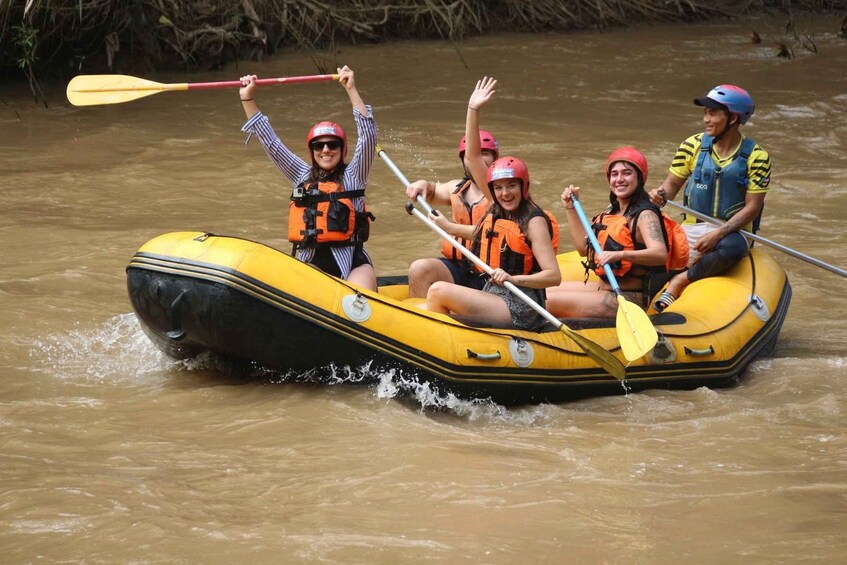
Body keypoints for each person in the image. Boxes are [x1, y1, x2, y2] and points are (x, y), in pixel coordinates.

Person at [423, 77, 561, 331]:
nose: (505, 193)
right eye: (498, 188)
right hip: (494, 292)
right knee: (430, 298)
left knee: (438, 290)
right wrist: (472, 109)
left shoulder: (534, 221)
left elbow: (554, 276)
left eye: (511, 186)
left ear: (523, 186)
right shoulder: (497, 206)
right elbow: (473, 156)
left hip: (522, 303)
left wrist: (513, 279)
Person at [238, 66, 378, 291]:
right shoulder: (301, 175)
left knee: (357, 297)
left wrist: (351, 89)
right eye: (319, 146)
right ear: (312, 151)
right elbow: (271, 143)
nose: (326, 150)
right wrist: (248, 98)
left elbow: (368, 136)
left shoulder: (355, 175)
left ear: (342, 149)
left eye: (332, 145)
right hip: (311, 263)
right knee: (298, 283)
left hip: (352, 263)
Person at [648, 84, 771, 312]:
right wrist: (660, 195)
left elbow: (752, 208)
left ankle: (681, 279)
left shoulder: (757, 157)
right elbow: (671, 185)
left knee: (732, 248)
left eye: (713, 113)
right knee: (651, 271)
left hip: (733, 233)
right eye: (705, 113)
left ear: (733, 118)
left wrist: (718, 233)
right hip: (692, 228)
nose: (706, 119)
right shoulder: (691, 145)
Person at [546, 147, 670, 318]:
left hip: (628, 298)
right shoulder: (612, 211)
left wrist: (620, 255)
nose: (619, 179)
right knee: (540, 291)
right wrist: (570, 208)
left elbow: (660, 254)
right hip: (604, 287)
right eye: (614, 174)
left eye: (627, 173)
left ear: (640, 178)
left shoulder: (645, 214)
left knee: (545, 300)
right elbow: (583, 249)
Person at [403, 130, 499, 297]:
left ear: (495, 158)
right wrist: (423, 184)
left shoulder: (503, 195)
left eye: (484, 153)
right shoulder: (456, 188)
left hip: (492, 274)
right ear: (463, 160)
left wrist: (449, 227)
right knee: (418, 269)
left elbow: (491, 233)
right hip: (459, 267)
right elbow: (433, 191)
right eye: (472, 154)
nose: (478, 159)